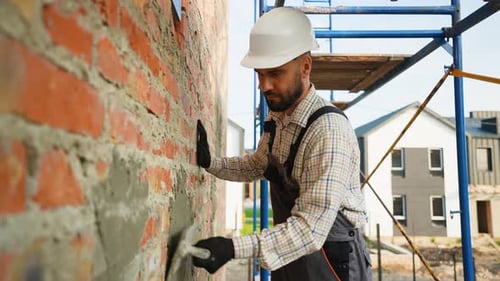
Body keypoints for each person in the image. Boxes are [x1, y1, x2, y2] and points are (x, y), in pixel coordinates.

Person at [193, 7, 372, 281]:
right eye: (259, 74)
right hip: (290, 252)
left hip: (332, 260)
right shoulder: (278, 117)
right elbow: (257, 165)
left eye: (275, 73)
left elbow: (311, 228)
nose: (264, 85)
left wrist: (233, 247)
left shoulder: (328, 129)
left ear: (306, 66)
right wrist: (211, 163)